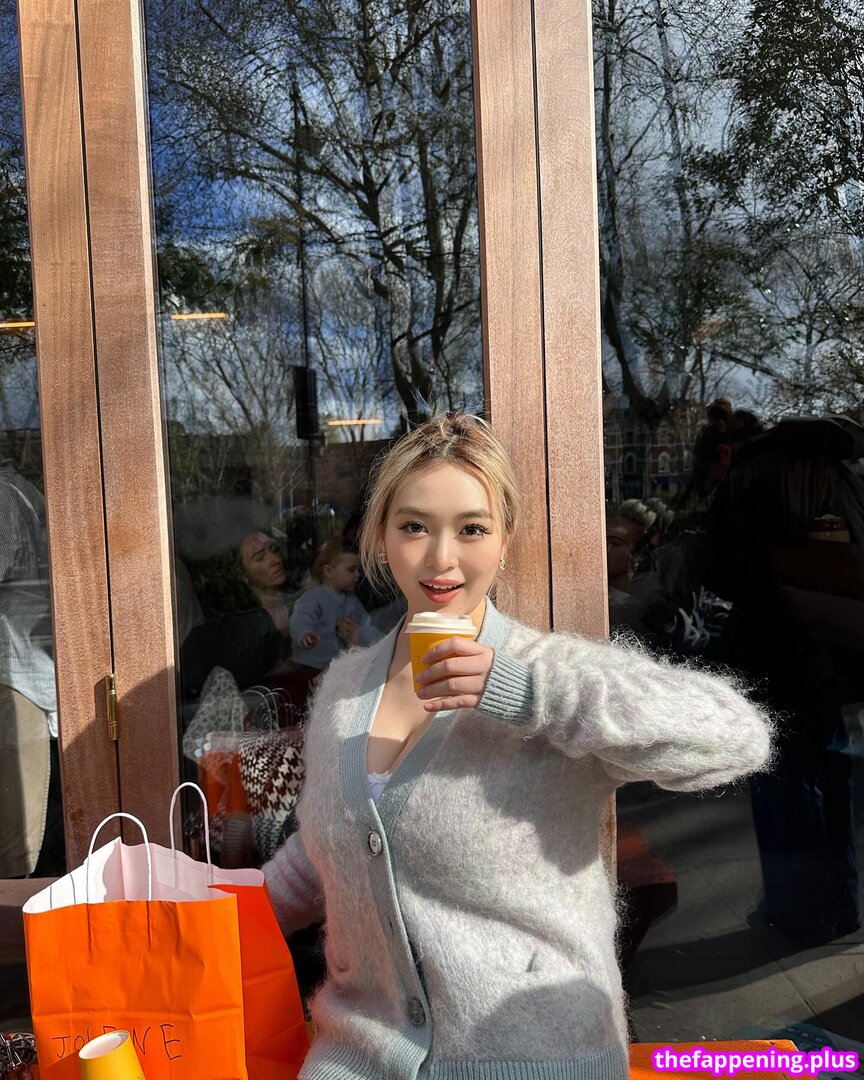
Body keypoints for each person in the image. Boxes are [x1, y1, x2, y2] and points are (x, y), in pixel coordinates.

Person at [263, 412, 773, 1080]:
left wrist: (527, 694)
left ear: (504, 541)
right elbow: (327, 847)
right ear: (381, 538)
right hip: (356, 1058)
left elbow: (736, 737)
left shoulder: (548, 671)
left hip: (536, 1057)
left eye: (471, 529)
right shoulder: (344, 686)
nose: (441, 558)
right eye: (414, 526)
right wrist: (203, 914)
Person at [289, 539, 381, 673]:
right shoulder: (313, 597)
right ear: (328, 572)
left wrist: (379, 640)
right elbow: (300, 618)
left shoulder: (352, 600)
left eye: (358, 570)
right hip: (310, 665)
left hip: (334, 666)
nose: (357, 575)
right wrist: (304, 634)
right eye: (351, 570)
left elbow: (365, 624)